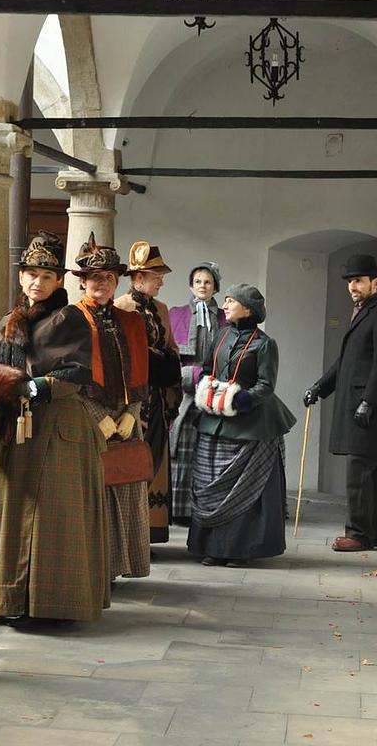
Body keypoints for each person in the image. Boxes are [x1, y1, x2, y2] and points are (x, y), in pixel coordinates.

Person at [0, 232, 110, 623]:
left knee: (55, 518)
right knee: (17, 512)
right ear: (20, 277)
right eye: (32, 274)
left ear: (59, 281)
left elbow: (76, 373)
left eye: (47, 276)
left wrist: (33, 387)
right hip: (20, 429)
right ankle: (13, 600)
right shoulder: (10, 322)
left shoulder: (70, 318)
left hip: (61, 428)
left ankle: (55, 605)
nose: (38, 282)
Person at [188, 283, 296, 566]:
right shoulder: (221, 335)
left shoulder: (265, 344)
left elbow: (266, 385)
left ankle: (238, 551)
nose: (224, 306)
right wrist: (207, 388)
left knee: (244, 490)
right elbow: (208, 368)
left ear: (247, 309)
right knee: (209, 481)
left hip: (250, 424)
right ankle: (211, 548)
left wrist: (241, 399)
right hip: (213, 420)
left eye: (230, 301)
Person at [303, 253, 377, 552]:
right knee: (367, 471)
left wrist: (369, 402)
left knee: (359, 472)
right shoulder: (362, 312)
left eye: (358, 280)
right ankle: (375, 534)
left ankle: (358, 534)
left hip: (366, 406)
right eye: (349, 281)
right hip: (356, 403)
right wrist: (319, 387)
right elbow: (345, 361)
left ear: (376, 282)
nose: (352, 286)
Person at [71, 233, 151, 580]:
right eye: (94, 277)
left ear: (116, 281)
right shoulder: (71, 319)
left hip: (125, 415)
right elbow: (69, 374)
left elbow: (141, 370)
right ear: (82, 281)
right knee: (95, 493)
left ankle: (119, 567)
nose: (101, 283)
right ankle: (96, 569)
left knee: (127, 485)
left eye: (107, 277)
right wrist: (98, 416)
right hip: (87, 416)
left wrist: (132, 413)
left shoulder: (130, 320)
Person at [115, 241, 182, 544]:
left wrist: (165, 367)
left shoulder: (162, 309)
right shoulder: (121, 306)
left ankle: (148, 531)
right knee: (131, 460)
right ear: (139, 277)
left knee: (154, 458)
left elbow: (172, 350)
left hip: (158, 397)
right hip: (133, 399)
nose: (161, 282)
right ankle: (127, 532)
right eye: (157, 276)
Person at [169, 261, 227, 525]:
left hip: (215, 391)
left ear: (215, 287)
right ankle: (178, 510)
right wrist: (190, 376)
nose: (202, 286)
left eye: (207, 282)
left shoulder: (225, 318)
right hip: (185, 392)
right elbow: (170, 356)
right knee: (181, 451)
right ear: (191, 286)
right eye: (198, 282)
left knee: (209, 452)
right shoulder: (176, 314)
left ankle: (203, 509)